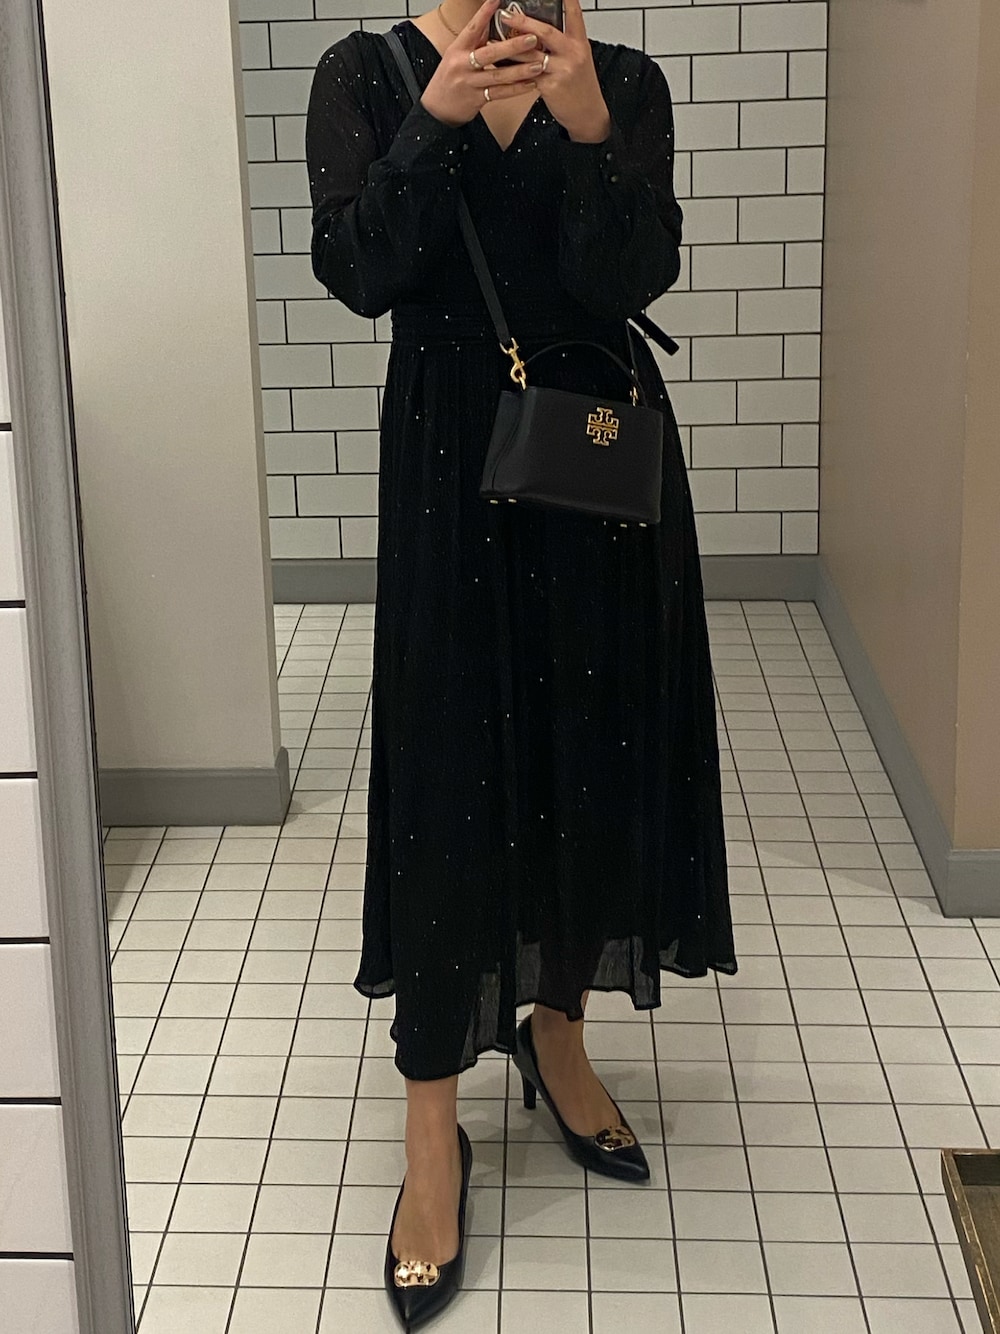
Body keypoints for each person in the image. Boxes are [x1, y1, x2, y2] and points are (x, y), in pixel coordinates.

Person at [305, 0, 738, 1324]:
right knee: (450, 781)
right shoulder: (367, 73)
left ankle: (559, 1030)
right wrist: (436, 121)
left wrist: (594, 127)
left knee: (592, 753)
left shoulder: (625, 82)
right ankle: (431, 1123)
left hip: (596, 468)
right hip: (450, 473)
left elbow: (633, 277)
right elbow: (359, 270)